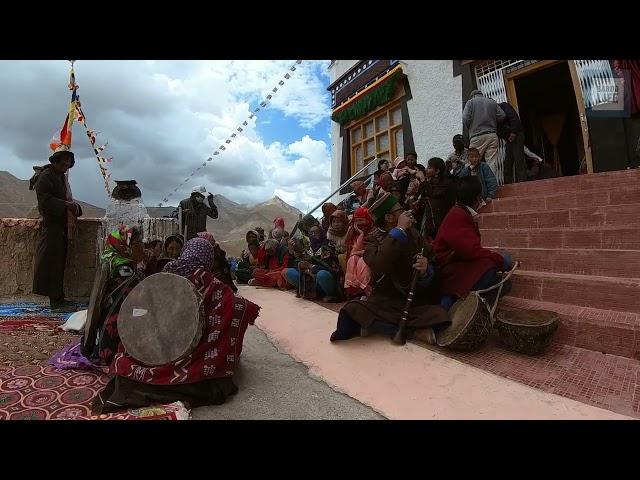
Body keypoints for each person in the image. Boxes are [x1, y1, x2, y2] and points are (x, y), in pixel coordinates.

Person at [92, 237, 260, 413]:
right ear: (208, 258)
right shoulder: (210, 281)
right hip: (190, 364)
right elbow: (241, 307)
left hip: (150, 348)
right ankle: (183, 379)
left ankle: (148, 379)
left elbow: (141, 310)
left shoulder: (165, 271)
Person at [330, 193, 450, 343]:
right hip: (385, 302)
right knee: (351, 310)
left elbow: (432, 258)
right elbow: (380, 264)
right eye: (400, 210)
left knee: (441, 314)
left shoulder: (414, 234)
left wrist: (426, 270)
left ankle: (376, 328)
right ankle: (413, 333)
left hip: (412, 301)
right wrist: (398, 231)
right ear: (389, 218)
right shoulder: (371, 241)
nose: (406, 213)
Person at [433, 176, 513, 311]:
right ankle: (459, 303)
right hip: (446, 269)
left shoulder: (460, 211)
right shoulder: (458, 215)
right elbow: (472, 251)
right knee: (500, 262)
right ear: (477, 198)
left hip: (455, 262)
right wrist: (498, 259)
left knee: (500, 266)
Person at [82, 225, 147, 365]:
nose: (142, 248)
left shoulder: (111, 261)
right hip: (115, 334)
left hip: (104, 329)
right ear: (125, 247)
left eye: (142, 243)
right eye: (137, 244)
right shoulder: (125, 271)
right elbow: (140, 304)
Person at [32, 147, 83, 312]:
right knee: (52, 264)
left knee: (58, 264)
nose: (66, 165)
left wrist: (74, 208)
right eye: (63, 162)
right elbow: (45, 202)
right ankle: (56, 302)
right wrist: (67, 206)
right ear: (55, 161)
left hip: (60, 227)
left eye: (68, 163)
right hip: (51, 226)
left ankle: (59, 298)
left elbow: (67, 201)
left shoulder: (60, 177)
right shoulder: (46, 177)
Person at [462, 90, 506, 176]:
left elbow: (465, 118)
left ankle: (472, 185)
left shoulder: (470, 102)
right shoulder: (492, 102)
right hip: (492, 135)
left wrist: (470, 128)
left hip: (476, 136)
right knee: (492, 162)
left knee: (472, 162)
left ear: (473, 96)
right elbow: (502, 115)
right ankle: (492, 185)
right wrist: (494, 122)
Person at [413, 157, 456, 241]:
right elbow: (423, 193)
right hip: (431, 218)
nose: (426, 169)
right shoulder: (431, 181)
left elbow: (434, 194)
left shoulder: (447, 182)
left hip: (444, 219)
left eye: (429, 168)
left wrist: (423, 179)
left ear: (437, 171)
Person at [343, 207, 375, 299]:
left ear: (368, 219)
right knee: (352, 260)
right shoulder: (354, 232)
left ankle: (365, 291)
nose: (358, 223)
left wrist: (359, 252)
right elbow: (353, 252)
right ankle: (354, 290)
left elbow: (372, 251)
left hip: (372, 259)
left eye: (361, 220)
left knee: (362, 261)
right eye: (356, 221)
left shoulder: (374, 231)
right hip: (361, 256)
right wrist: (360, 234)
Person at [498, 102, 527, 184]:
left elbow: (514, 118)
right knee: (507, 162)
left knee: (519, 160)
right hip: (508, 138)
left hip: (517, 134)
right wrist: (507, 136)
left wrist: (513, 132)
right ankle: (508, 185)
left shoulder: (504, 106)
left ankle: (523, 184)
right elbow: (497, 131)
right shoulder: (490, 115)